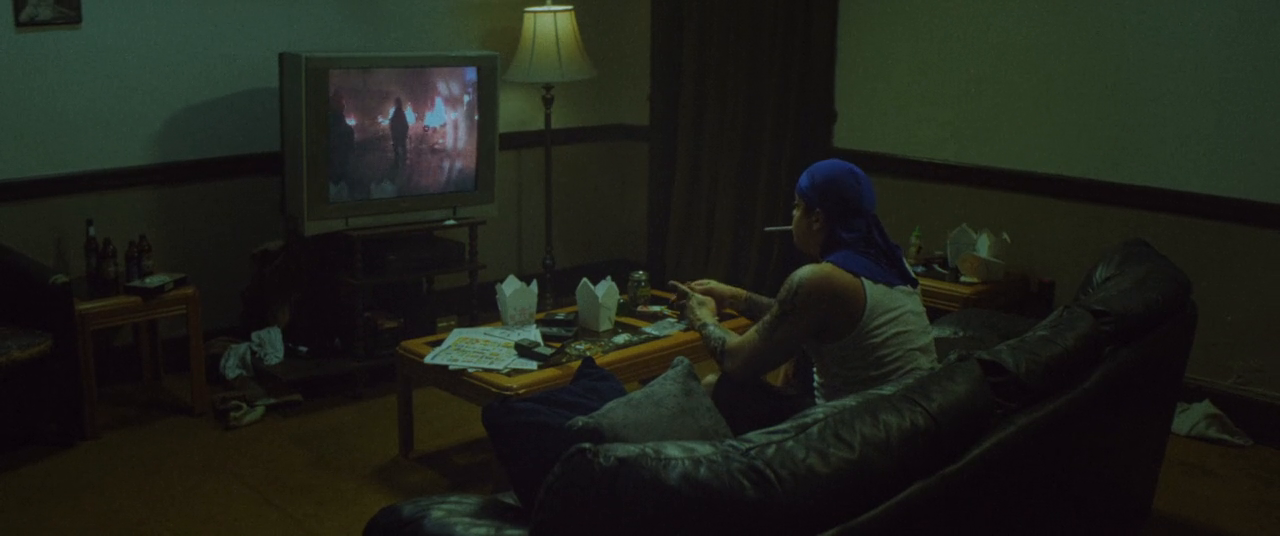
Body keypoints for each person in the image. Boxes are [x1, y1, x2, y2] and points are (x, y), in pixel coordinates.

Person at [670, 158, 938, 435]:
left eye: (797, 206)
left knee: (717, 386)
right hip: (910, 424)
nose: (793, 214)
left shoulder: (821, 281)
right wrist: (736, 297)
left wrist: (701, 316)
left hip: (858, 437)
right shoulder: (892, 263)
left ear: (817, 219)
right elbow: (795, 318)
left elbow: (736, 362)